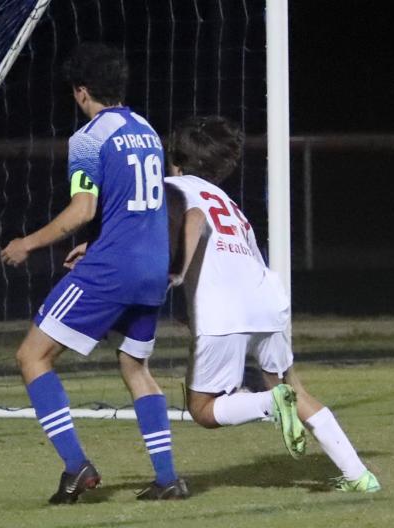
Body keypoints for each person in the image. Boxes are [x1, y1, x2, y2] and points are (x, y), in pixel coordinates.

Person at [0, 42, 187, 503]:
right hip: (151, 268)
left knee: (31, 357)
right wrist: (97, 243)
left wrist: (28, 243)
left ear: (82, 92)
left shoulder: (88, 138)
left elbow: (81, 210)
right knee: (135, 367)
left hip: (114, 269)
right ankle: (168, 479)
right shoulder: (146, 130)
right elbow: (144, 206)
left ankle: (76, 465)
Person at [160, 115, 379, 492]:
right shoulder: (226, 201)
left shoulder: (175, 187)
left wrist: (174, 273)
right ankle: (360, 475)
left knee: (203, 410)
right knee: (296, 389)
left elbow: (192, 221)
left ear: (175, 159)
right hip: (267, 301)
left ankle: (267, 403)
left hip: (224, 311)